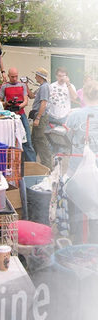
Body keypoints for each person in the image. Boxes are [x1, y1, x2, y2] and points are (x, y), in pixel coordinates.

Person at [66, 78, 98, 243]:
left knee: (78, 205)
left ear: (83, 95)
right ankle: (95, 241)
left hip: (78, 169)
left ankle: (77, 240)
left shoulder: (75, 115)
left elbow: (67, 138)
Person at [0, 68, 36, 162]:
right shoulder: (4, 86)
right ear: (8, 76)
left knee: (27, 140)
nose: (14, 79)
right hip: (9, 114)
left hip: (21, 114)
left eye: (16, 76)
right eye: (12, 77)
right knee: (10, 140)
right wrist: (7, 103)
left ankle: (32, 163)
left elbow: (26, 100)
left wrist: (19, 106)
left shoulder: (22, 85)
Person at [29, 67, 52, 169]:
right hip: (38, 115)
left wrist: (38, 117)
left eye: (36, 75)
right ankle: (32, 162)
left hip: (41, 116)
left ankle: (47, 165)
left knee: (40, 139)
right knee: (35, 139)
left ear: (40, 76)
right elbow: (31, 96)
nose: (35, 77)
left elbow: (43, 103)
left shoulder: (44, 87)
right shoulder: (41, 87)